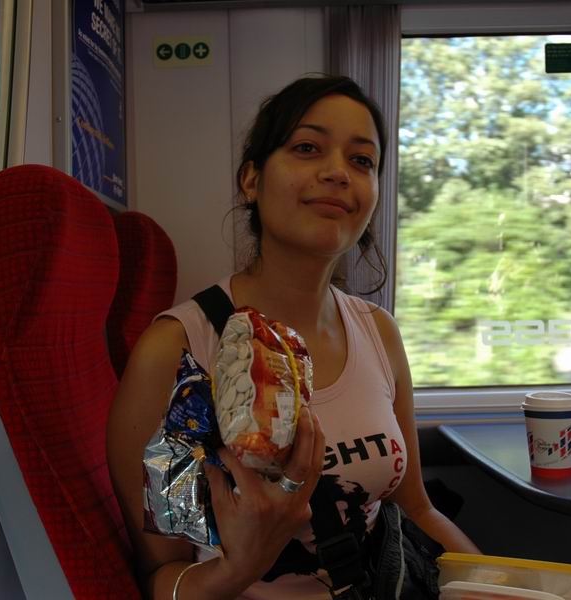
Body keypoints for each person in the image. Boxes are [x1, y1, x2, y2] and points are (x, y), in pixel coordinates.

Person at [107, 74, 480, 600]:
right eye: (307, 148)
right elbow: (162, 576)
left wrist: (501, 582)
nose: (338, 172)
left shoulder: (378, 331)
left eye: (362, 160)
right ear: (251, 179)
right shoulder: (179, 350)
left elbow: (415, 506)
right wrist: (239, 568)